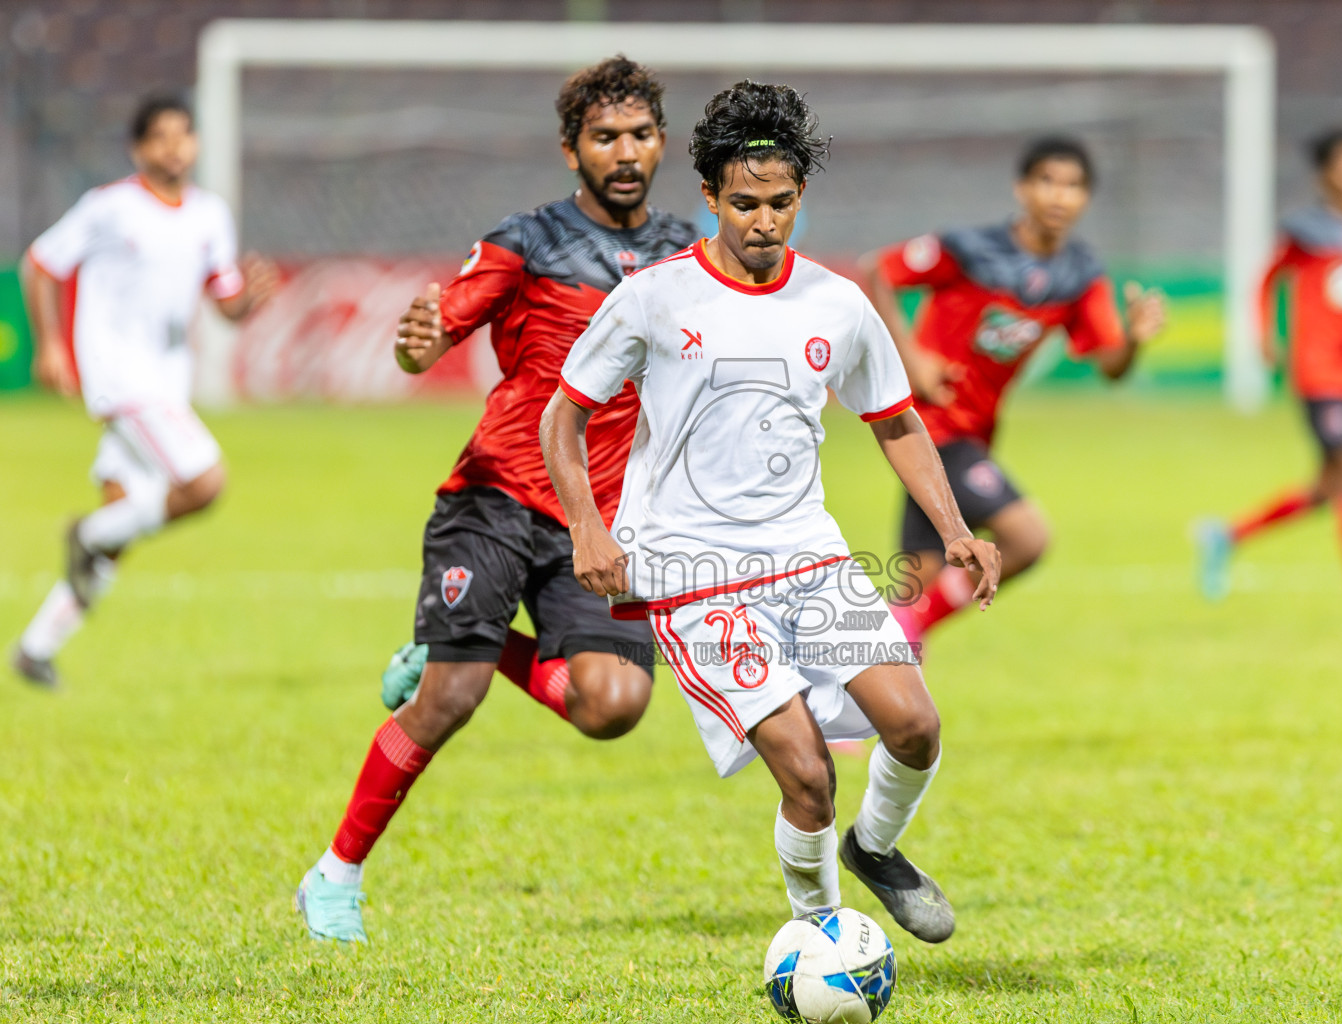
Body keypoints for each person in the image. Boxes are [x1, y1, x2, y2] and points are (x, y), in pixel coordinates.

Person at [542, 81, 1002, 945]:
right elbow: (561, 415)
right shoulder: (655, 298)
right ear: (709, 198)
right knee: (807, 771)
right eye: (744, 203)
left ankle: (876, 850)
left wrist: (953, 531)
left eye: (781, 203)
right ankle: (820, 938)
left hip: (809, 558)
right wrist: (587, 526)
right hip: (694, 573)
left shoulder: (836, 303)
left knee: (916, 726)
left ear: (802, 198)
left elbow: (895, 419)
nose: (764, 221)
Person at [295, 56, 697, 944]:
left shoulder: (689, 255)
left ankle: (451, 642)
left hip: (604, 519)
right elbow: (429, 341)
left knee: (612, 707)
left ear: (661, 142)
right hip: (499, 495)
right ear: (571, 152)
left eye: (638, 135)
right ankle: (336, 876)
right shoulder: (529, 239)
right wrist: (415, 342)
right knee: (448, 699)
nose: (623, 152)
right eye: (603, 138)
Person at [10, 95, 277, 689]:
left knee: (121, 521)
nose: (174, 147)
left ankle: (35, 647)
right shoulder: (110, 208)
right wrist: (51, 345)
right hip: (118, 373)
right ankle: (86, 535)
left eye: (184, 135)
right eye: (160, 136)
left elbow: (225, 304)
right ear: (138, 148)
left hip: (167, 384)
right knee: (204, 482)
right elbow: (40, 263)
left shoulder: (210, 214)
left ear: (198, 144)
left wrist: (250, 300)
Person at [862, 137, 1164, 645]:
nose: (1058, 196)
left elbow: (1111, 367)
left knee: (917, 592)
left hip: (973, 435)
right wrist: (912, 358)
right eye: (1047, 181)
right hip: (933, 427)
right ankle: (905, 629)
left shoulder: (1078, 276)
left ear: (1086, 198)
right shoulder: (968, 249)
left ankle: (871, 697)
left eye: (1073, 186)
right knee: (1027, 538)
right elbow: (875, 273)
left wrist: (1133, 340)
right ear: (1021, 187)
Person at [1196, 129, 1342, 634]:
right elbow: (1268, 279)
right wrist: (1268, 332)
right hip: (1318, 371)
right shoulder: (1305, 231)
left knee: (1328, 487)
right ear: (1326, 175)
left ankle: (1227, 535)